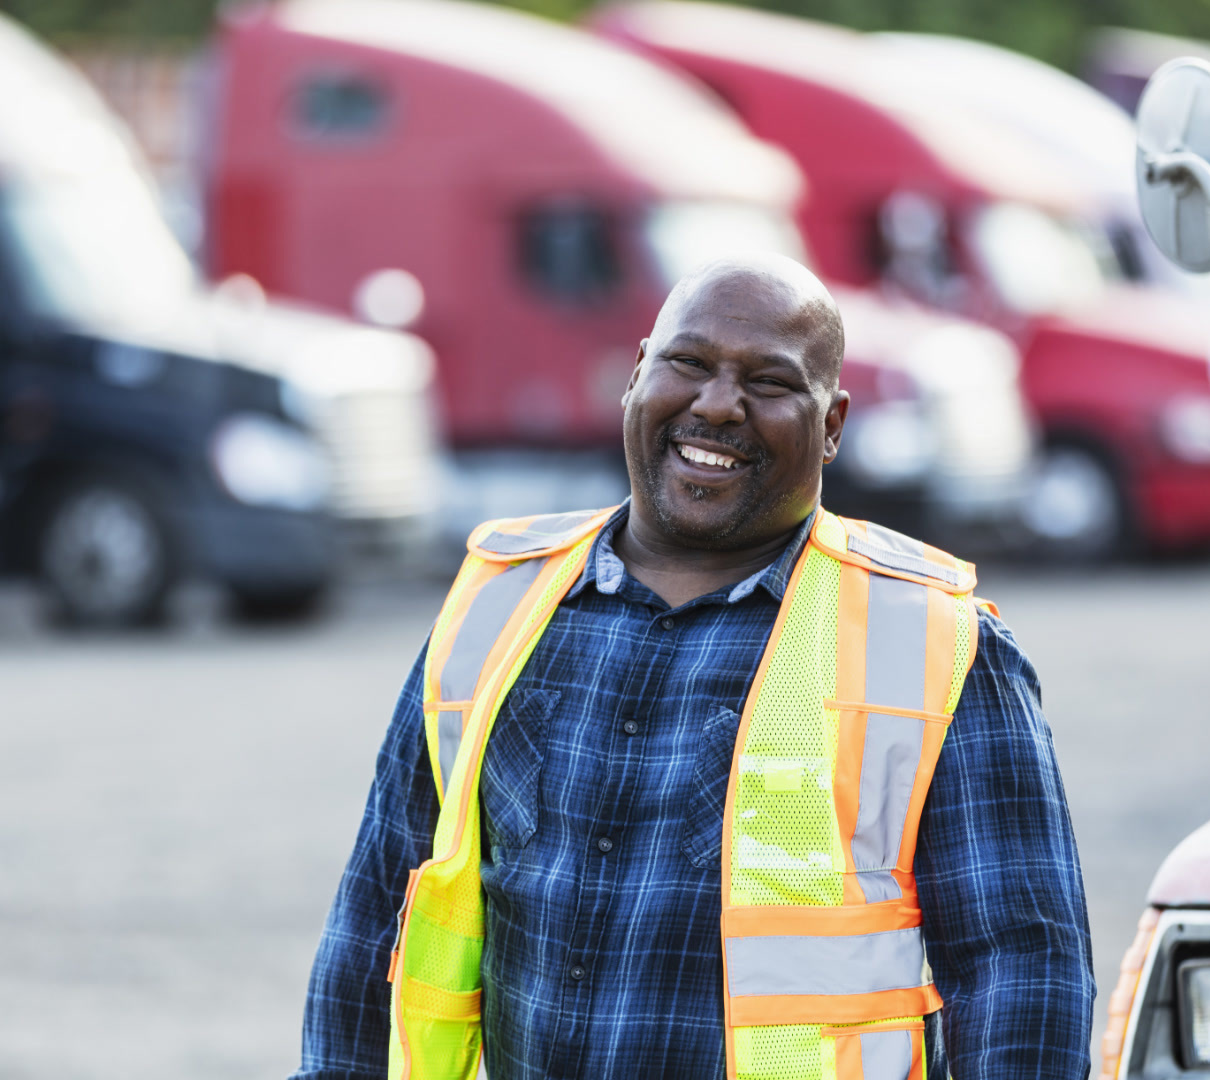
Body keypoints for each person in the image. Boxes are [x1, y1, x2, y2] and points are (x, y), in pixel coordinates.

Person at [292, 254, 1095, 1080]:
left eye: (771, 382)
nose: (718, 405)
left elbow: (1022, 974)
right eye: (689, 363)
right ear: (638, 373)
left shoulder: (933, 644)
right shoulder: (494, 609)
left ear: (832, 425)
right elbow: (377, 920)